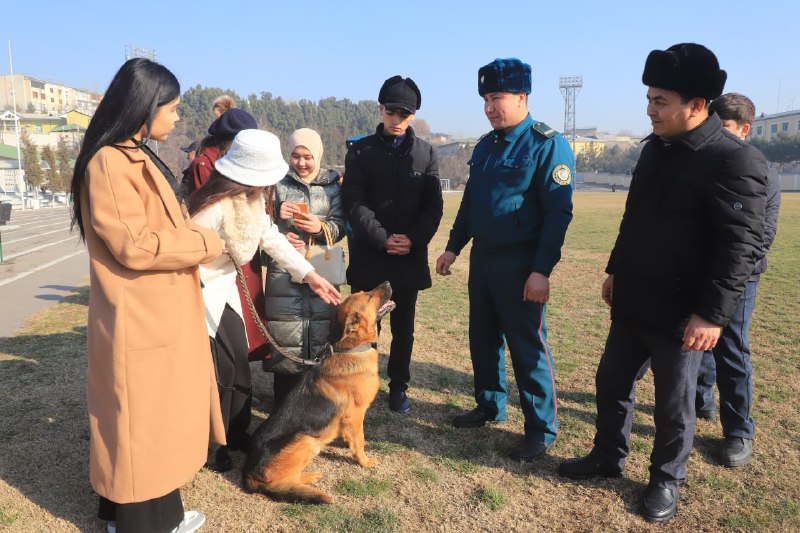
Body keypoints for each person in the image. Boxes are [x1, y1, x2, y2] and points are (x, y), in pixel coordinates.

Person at [557, 44, 768, 524]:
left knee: (673, 406)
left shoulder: (734, 161)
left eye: (660, 101)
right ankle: (607, 457)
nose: (649, 110)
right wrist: (615, 269)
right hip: (634, 299)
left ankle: (666, 481)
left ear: (696, 106)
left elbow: (740, 249)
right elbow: (634, 219)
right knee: (611, 383)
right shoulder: (655, 150)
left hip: (682, 314)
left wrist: (712, 314)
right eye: (649, 99)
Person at [70, 58, 225, 533]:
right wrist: (205, 243)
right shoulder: (111, 162)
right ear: (145, 107)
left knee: (154, 423)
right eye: (172, 109)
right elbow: (133, 244)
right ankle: (143, 525)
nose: (177, 118)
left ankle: (156, 516)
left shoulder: (132, 153)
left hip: (154, 310)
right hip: (139, 316)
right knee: (142, 424)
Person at [435, 58, 574, 462]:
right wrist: (453, 246)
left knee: (527, 346)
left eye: (496, 98)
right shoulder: (485, 146)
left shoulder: (547, 144)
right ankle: (490, 405)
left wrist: (541, 270)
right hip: (484, 260)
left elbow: (557, 214)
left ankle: (541, 429)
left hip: (522, 263)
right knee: (483, 337)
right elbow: (471, 203)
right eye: (485, 99)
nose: (490, 107)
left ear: (521, 96)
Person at [188, 129, 341, 472]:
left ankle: (236, 432)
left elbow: (269, 237)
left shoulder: (253, 198)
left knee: (238, 365)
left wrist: (311, 274)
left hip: (225, 290)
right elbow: (185, 249)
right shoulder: (212, 206)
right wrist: (210, 249)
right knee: (220, 371)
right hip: (199, 293)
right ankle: (213, 444)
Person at [342, 75, 443, 414]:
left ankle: (398, 386)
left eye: (405, 114)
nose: (398, 121)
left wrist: (413, 239)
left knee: (405, 331)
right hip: (371, 256)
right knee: (364, 326)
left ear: (413, 115)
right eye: (392, 113)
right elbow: (354, 203)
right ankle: (358, 383)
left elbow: (433, 206)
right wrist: (383, 239)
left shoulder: (426, 154)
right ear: (381, 110)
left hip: (408, 259)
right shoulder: (361, 151)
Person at [694, 92, 781, 466]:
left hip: (738, 278)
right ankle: (701, 401)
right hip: (697, 271)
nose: (717, 134)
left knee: (731, 347)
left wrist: (727, 277)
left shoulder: (760, 170)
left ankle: (739, 431)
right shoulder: (706, 163)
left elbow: (760, 238)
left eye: (725, 128)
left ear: (744, 129)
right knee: (695, 341)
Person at [263, 128, 346, 406]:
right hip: (283, 271)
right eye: (295, 156)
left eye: (307, 157)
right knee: (286, 332)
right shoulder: (275, 182)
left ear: (318, 155)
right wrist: (276, 219)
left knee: (322, 330)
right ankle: (284, 404)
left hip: (321, 265)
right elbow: (260, 224)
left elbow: (340, 225)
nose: (301, 163)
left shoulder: (332, 185)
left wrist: (320, 227)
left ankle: (316, 403)